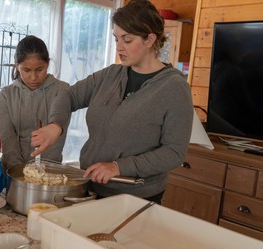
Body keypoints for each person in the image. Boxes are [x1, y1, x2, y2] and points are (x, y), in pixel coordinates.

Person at [31, 0, 194, 204]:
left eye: (127, 40)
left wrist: (118, 167)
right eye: (116, 39)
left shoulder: (174, 87)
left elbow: (174, 152)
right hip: (90, 186)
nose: (119, 47)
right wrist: (56, 125)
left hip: (136, 197)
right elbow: (67, 95)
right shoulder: (111, 75)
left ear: (150, 39)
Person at [0, 35, 70, 172]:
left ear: (47, 64)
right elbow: (8, 140)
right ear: (17, 66)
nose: (33, 77)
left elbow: (57, 140)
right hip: (14, 172)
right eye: (26, 70)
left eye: (39, 70)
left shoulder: (62, 91)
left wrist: (41, 172)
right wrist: (19, 172)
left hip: (49, 172)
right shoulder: (7, 94)